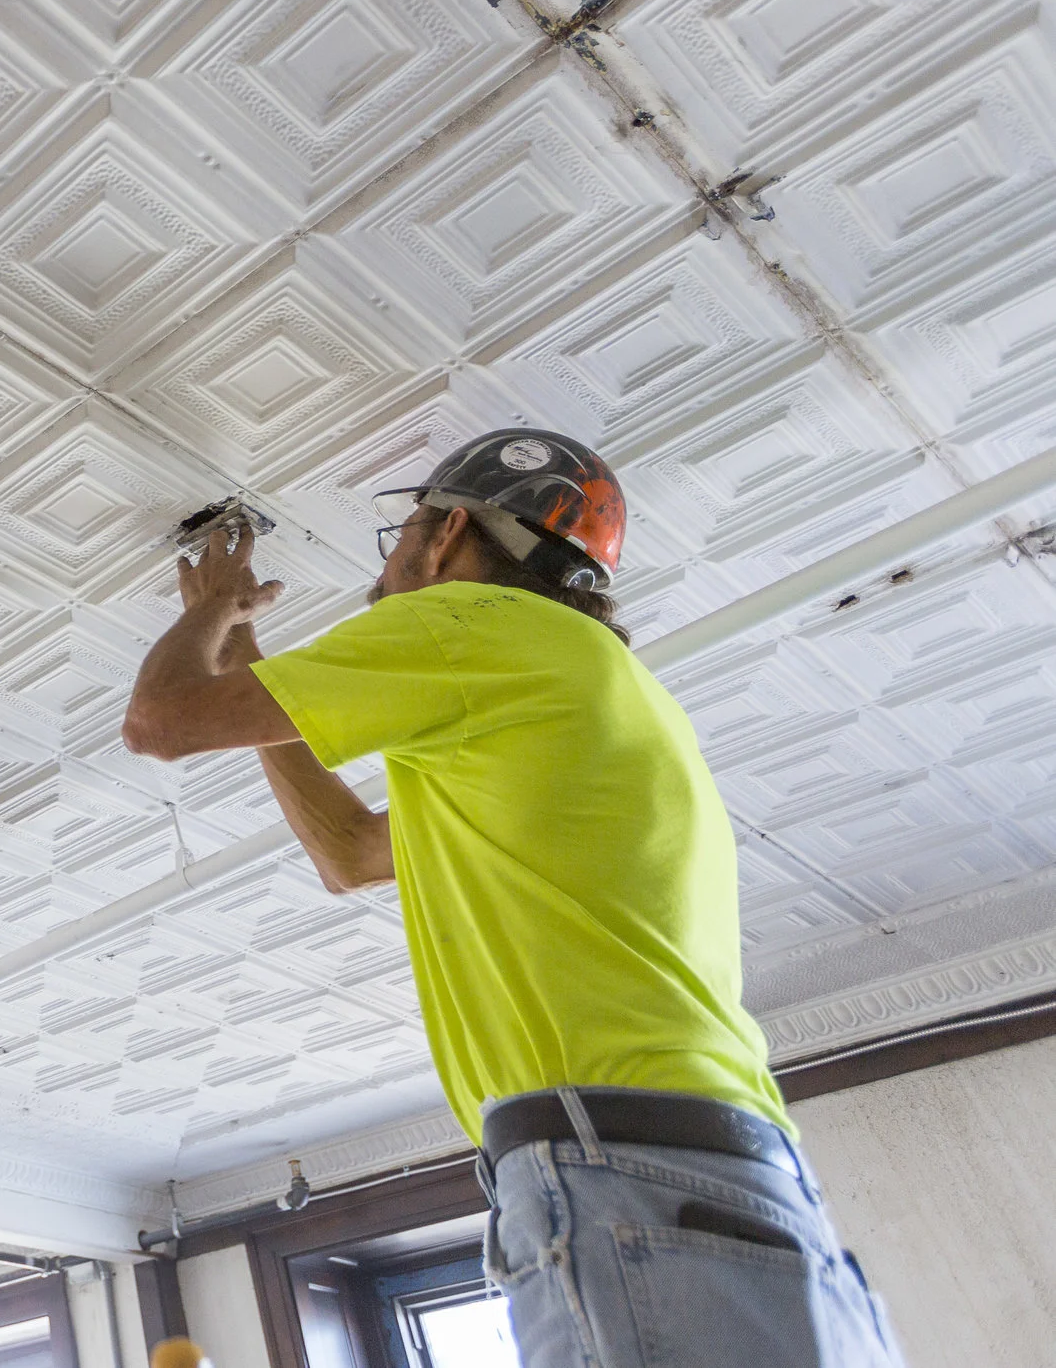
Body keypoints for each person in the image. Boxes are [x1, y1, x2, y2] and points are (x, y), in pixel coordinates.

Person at [121, 429, 902, 1368]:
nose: (389, 570)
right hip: (725, 1180)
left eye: (401, 537)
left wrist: (215, 606)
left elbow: (159, 721)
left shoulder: (475, 624)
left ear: (447, 534)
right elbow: (350, 853)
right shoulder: (573, 695)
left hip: (624, 1169)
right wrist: (246, 649)